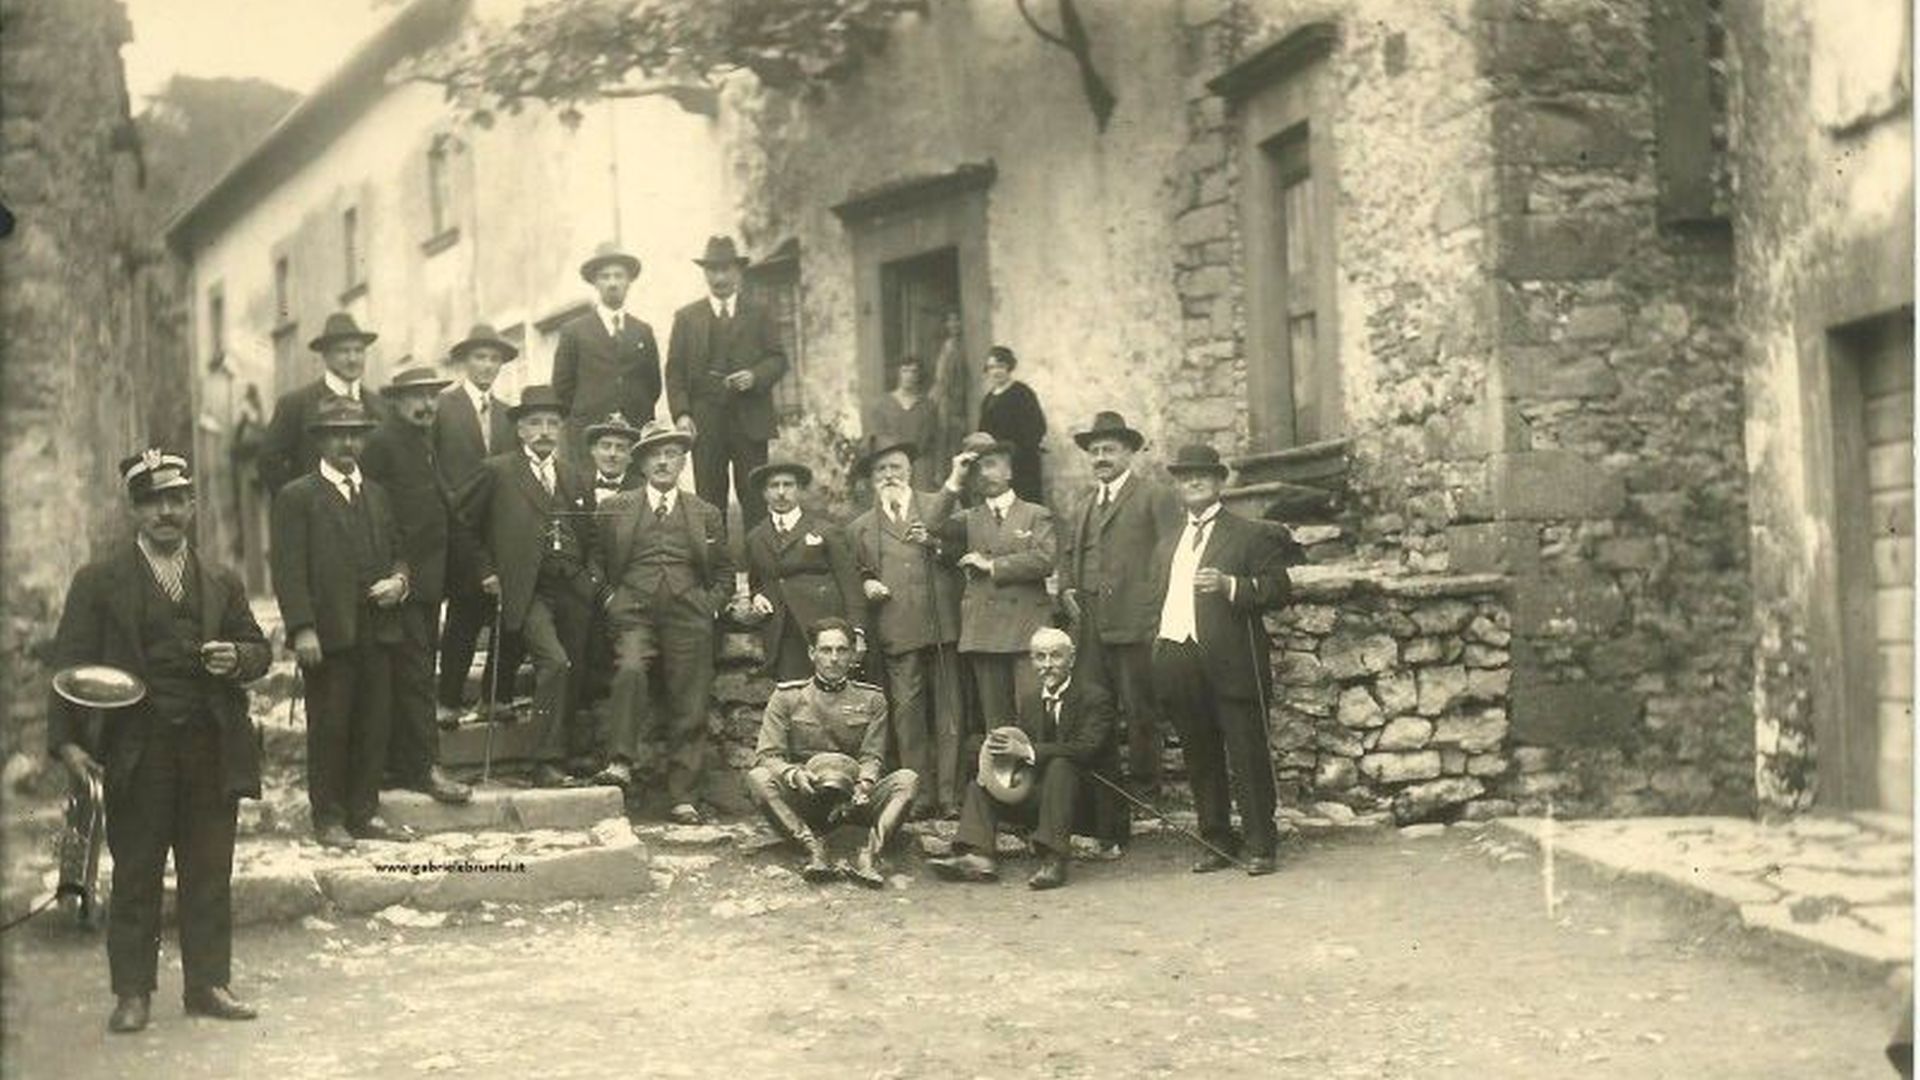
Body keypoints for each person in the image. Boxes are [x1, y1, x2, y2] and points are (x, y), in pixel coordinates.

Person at [47, 448, 268, 1033]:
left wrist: (238, 658)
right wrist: (67, 746)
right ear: (133, 511)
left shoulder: (221, 580)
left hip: (210, 747)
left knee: (208, 871)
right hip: (134, 752)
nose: (166, 512)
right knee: (137, 872)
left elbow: (259, 649)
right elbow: (67, 666)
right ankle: (132, 993)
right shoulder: (99, 581)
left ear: (192, 505)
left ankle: (207, 985)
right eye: (152, 502)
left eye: (176, 500)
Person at [269, 399, 414, 849]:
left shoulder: (376, 494)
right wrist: (302, 628)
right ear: (320, 439)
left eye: (356, 433)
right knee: (331, 725)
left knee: (374, 722)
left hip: (379, 628)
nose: (348, 441)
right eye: (337, 433)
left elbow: (398, 552)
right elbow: (288, 570)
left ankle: (363, 812)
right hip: (329, 635)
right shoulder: (298, 496)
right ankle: (328, 817)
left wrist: (399, 581)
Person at [1150, 444, 1294, 877]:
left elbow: (1278, 591)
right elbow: (1156, 599)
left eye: (1202, 475)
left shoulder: (1250, 534)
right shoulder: (1167, 543)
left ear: (1218, 482)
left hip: (1233, 661)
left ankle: (1260, 845)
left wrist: (1232, 585)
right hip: (1178, 657)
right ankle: (1216, 840)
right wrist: (1157, 646)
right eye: (1184, 476)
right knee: (1199, 753)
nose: (1192, 481)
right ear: (1177, 486)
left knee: (1247, 753)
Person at [589, 419, 733, 822]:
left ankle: (684, 795)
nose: (664, 461)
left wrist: (710, 604)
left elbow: (724, 572)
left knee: (690, 699)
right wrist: (609, 598)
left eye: (672, 454)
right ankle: (619, 762)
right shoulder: (615, 508)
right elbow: (595, 561)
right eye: (655, 455)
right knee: (631, 670)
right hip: (633, 611)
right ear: (642, 463)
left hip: (690, 614)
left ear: (684, 461)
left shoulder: (705, 513)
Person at [455, 386, 599, 788]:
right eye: (535, 423)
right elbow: (463, 523)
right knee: (554, 662)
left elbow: (592, 536)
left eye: (553, 423)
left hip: (572, 587)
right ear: (520, 429)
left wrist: (591, 578)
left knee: (575, 667)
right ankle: (545, 761)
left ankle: (566, 751)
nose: (544, 431)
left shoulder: (574, 475)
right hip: (526, 588)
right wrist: (486, 571)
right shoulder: (497, 471)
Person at [1058, 411, 1183, 816]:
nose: (1100, 457)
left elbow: (1170, 556)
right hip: (1090, 618)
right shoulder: (1084, 503)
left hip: (1135, 617)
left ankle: (1146, 788)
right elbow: (1069, 554)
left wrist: (1153, 610)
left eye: (1109, 449)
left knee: (1139, 706)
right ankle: (1108, 789)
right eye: (1094, 451)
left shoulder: (1154, 496)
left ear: (1130, 452)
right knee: (1097, 703)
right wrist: (1067, 590)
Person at [360, 365, 474, 805]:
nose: (427, 405)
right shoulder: (382, 443)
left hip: (429, 578)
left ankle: (402, 764)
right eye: (417, 397)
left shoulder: (421, 440)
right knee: (413, 675)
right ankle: (424, 768)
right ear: (397, 401)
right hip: (401, 578)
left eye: (433, 396)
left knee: (416, 671)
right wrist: (394, 570)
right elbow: (373, 511)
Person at [927, 628, 1117, 890]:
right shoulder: (1030, 701)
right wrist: (997, 767)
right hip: (1046, 803)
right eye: (1040, 658)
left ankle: (1054, 859)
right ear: (1032, 661)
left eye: (1055, 657)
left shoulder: (1095, 697)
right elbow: (1023, 758)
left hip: (1085, 804)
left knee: (1062, 765)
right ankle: (978, 856)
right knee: (981, 786)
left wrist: (1026, 752)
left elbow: (1086, 750)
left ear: (1071, 659)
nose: (1047, 665)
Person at [746, 618, 920, 887]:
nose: (834, 658)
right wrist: (793, 775)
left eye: (842, 650)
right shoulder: (787, 697)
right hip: (807, 795)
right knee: (758, 777)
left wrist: (865, 783)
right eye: (826, 650)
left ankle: (869, 856)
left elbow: (872, 756)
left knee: (907, 779)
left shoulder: (872, 699)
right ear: (812, 654)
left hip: (855, 799)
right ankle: (812, 848)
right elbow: (768, 755)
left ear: (852, 654)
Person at [848, 439, 969, 818]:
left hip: (941, 625)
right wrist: (866, 582)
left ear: (910, 471)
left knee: (949, 713)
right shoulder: (860, 528)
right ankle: (917, 796)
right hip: (895, 630)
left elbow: (960, 551)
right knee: (907, 715)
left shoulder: (937, 505)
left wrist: (933, 543)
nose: (889, 476)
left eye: (896, 467)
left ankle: (951, 798)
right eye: (881, 470)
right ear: (871, 480)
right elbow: (854, 572)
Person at [664, 235, 788, 531]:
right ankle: (716, 576)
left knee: (757, 501)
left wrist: (755, 376)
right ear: (705, 273)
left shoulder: (759, 312)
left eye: (726, 269)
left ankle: (761, 575)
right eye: (713, 270)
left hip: (751, 421)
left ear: (738, 272)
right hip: (706, 423)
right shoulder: (687, 317)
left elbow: (778, 359)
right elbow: (675, 371)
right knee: (709, 503)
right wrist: (682, 414)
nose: (719, 277)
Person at [432, 323, 520, 722]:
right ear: (465, 361)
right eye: (480, 357)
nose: (487, 365)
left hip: (498, 527)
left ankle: (495, 696)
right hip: (456, 524)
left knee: (505, 609)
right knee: (464, 613)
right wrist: (449, 507)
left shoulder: (508, 415)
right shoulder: (442, 407)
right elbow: (433, 466)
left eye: (494, 358)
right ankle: (448, 700)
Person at [942, 431, 1054, 738]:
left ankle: (1042, 783)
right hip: (985, 629)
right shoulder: (968, 518)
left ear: (1009, 471)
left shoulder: (1035, 514)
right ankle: (1005, 786)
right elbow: (932, 526)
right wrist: (955, 480)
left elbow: (1045, 559)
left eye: (992, 464)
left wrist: (992, 566)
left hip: (1027, 628)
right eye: (978, 468)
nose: (985, 473)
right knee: (997, 723)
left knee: (1033, 714)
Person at [741, 461, 867, 682]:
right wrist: (757, 595)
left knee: (831, 696)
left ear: (798, 489)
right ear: (764, 493)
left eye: (788, 485)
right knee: (794, 699)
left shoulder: (824, 530)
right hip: (783, 631)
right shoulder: (755, 537)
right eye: (774, 486)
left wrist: (857, 631)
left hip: (824, 629)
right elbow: (757, 581)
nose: (781, 492)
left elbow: (850, 584)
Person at [572, 410, 647, 769]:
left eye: (621, 447)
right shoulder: (576, 485)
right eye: (606, 446)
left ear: (632, 455)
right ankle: (578, 745)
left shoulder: (644, 490)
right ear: (593, 451)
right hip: (587, 581)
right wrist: (598, 588)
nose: (613, 454)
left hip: (631, 587)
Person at [257, 312, 390, 497]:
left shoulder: (380, 406)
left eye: (359, 351)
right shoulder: (296, 404)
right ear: (326, 356)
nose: (353, 359)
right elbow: (269, 462)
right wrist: (299, 503)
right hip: (317, 519)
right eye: (344, 351)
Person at [552, 242, 662, 465]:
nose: (612, 283)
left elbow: (653, 386)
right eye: (605, 276)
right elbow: (562, 389)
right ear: (595, 282)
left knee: (635, 494)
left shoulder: (642, 331)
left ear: (629, 281)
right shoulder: (574, 331)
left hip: (634, 434)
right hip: (589, 438)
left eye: (619, 276)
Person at [975, 345, 1047, 504]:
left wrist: (1017, 451)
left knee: (1024, 505)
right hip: (997, 464)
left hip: (1022, 462)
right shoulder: (988, 400)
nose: (996, 372)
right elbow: (983, 432)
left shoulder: (1022, 393)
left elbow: (1038, 427)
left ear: (1009, 367)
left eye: (1000, 366)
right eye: (991, 367)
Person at [865, 355, 941, 489]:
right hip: (893, 467)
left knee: (921, 505)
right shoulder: (883, 405)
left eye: (914, 371)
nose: (909, 376)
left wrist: (937, 471)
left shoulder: (928, 406)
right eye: (905, 371)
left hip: (921, 468)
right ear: (898, 373)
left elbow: (935, 441)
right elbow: (876, 440)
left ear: (919, 375)